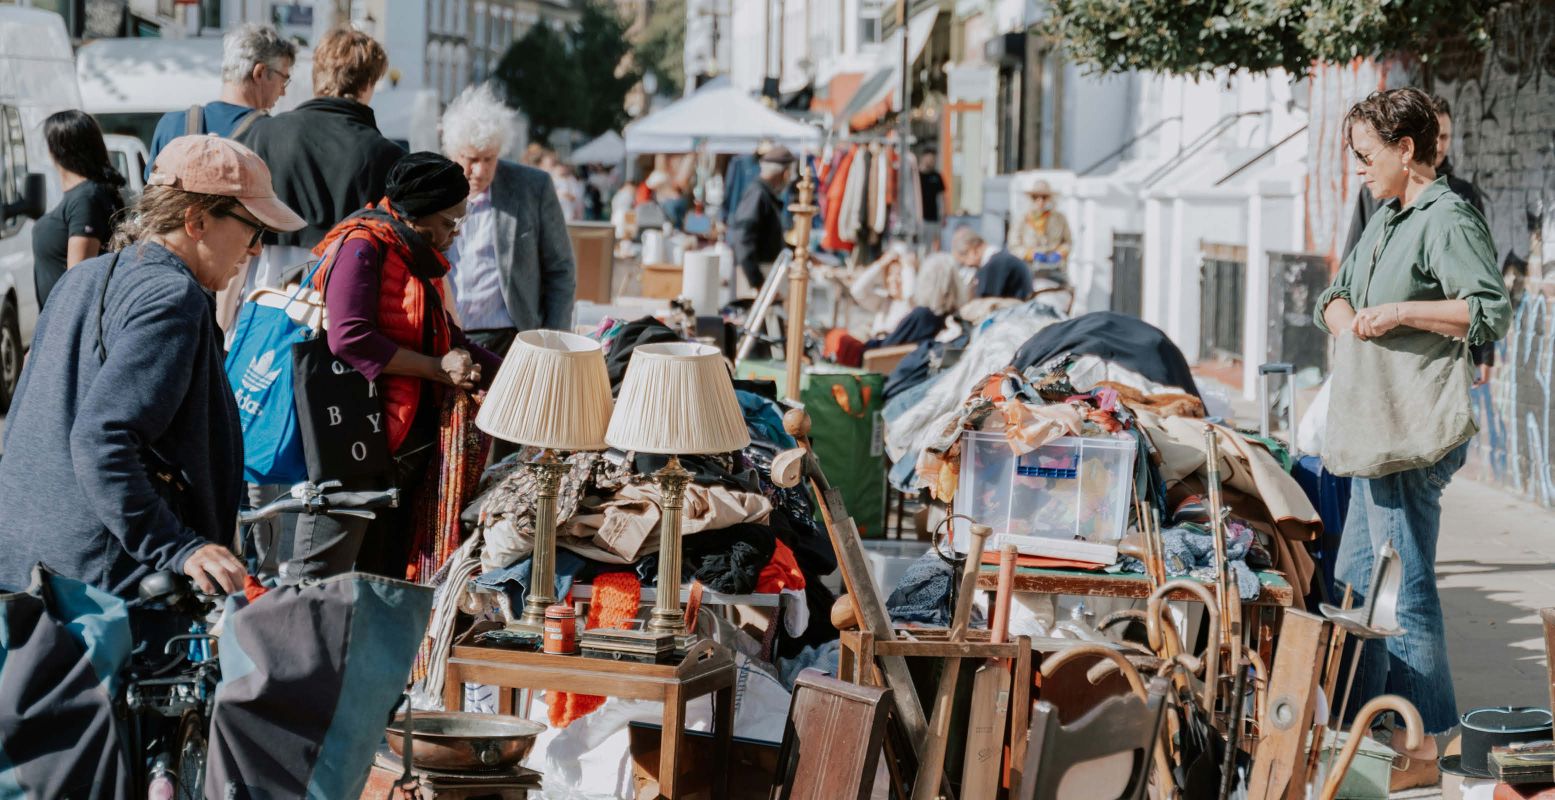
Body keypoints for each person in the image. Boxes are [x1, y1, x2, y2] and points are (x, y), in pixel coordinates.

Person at [0, 135, 306, 600]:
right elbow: (101, 437)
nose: (257, 249)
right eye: (253, 229)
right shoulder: (172, 296)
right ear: (196, 219)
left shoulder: (83, 277)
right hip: (102, 588)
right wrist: (179, 548)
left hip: (33, 565)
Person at [1314, 87, 1511, 792]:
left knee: (1406, 588)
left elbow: (1488, 310)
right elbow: (1331, 294)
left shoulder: (1443, 216)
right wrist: (1347, 323)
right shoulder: (1386, 216)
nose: (1358, 169)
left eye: (1367, 156)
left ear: (1406, 150)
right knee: (1360, 585)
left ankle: (1423, 747)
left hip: (1412, 428)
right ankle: (1366, 728)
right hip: (1373, 426)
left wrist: (1399, 311)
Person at [285, 152, 501, 580]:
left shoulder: (415, 253)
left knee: (383, 577)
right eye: (448, 222)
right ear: (417, 215)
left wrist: (520, 371)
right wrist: (438, 368)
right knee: (328, 579)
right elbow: (349, 337)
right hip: (357, 442)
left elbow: (448, 336)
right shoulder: (362, 246)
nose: (455, 233)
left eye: (461, 221)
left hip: (400, 446)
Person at [1342, 94, 1496, 386]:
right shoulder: (1378, 201)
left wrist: (1483, 351)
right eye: (1435, 136)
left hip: (1430, 379)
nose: (1438, 146)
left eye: (1445, 136)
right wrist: (1352, 344)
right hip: (1380, 377)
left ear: (1406, 148)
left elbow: (1483, 296)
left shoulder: (1456, 206)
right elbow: (1345, 279)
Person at [237, 26, 404, 293]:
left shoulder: (263, 134)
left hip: (265, 294)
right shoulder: (386, 155)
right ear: (368, 83)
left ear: (318, 75)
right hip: (349, 298)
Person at [440, 83, 577, 357]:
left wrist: (554, 342)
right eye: (471, 159)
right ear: (453, 153)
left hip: (512, 338)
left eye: (489, 159)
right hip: (446, 337)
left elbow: (560, 269)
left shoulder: (532, 187)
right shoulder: (435, 189)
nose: (479, 170)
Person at [144, 24, 296, 177]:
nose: (283, 91)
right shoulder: (272, 137)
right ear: (260, 73)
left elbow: (149, 194)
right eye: (284, 79)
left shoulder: (170, 125)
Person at [31, 110, 126, 309]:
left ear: (56, 149)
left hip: (69, 329)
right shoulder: (83, 195)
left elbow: (79, 281)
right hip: (60, 327)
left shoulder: (86, 198)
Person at [730, 146, 795, 291]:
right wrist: (757, 281)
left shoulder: (763, 195)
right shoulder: (758, 194)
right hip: (751, 289)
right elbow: (743, 239)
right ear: (784, 173)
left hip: (759, 282)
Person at [952, 225, 1032, 300]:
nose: (967, 266)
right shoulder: (1004, 259)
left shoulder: (993, 266)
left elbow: (984, 304)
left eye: (964, 263)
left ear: (974, 251)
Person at [1010, 180, 1073, 273]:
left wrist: (1059, 253)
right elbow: (1013, 246)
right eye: (1036, 197)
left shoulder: (1060, 218)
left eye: (1044, 197)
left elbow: (1068, 242)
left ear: (1049, 198)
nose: (1040, 200)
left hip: (1056, 268)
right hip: (1029, 269)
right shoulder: (1022, 220)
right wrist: (1031, 254)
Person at [918, 150, 946, 249]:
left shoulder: (937, 176)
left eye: (933, 159)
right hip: (919, 217)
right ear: (923, 158)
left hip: (933, 217)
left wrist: (943, 214)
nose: (931, 161)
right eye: (928, 159)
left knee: (933, 244)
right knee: (920, 244)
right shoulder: (916, 176)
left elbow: (942, 196)